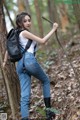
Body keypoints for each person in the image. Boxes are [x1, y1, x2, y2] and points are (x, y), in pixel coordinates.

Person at [3, 12, 58, 120]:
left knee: (25, 95)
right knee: (46, 81)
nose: (28, 22)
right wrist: (54, 29)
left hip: (20, 65)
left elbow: (7, 49)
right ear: (19, 23)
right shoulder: (24, 33)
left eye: (29, 20)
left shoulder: (15, 35)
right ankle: (49, 113)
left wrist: (5, 62)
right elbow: (42, 41)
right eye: (25, 21)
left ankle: (25, 118)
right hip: (29, 61)